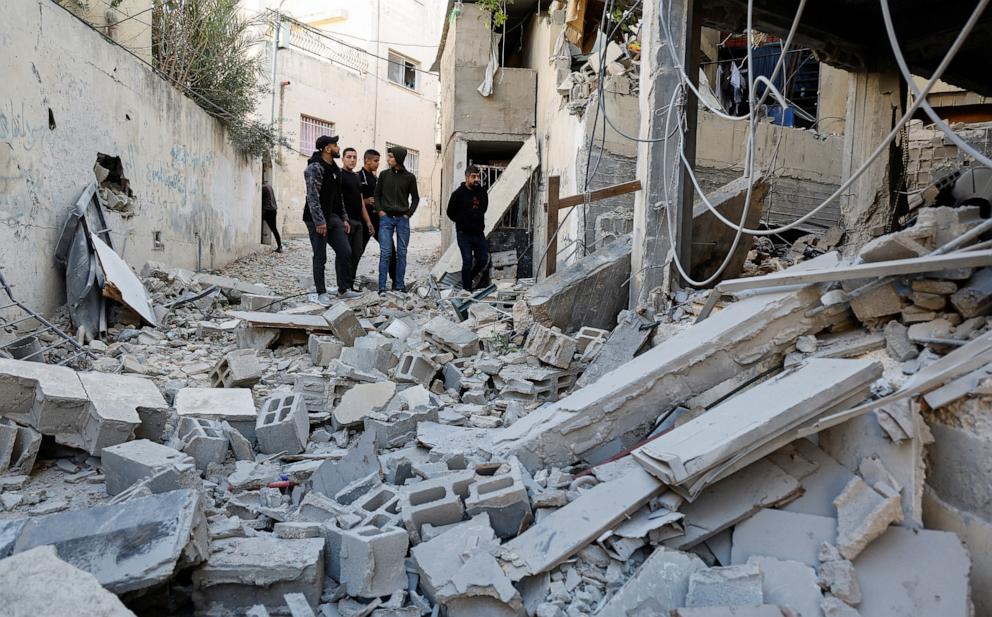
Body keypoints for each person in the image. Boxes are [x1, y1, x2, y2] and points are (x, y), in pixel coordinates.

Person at [303, 135, 359, 304]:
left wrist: (344, 218)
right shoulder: (315, 167)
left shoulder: (334, 169)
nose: (338, 148)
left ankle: (344, 289)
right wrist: (320, 222)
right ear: (327, 149)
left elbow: (338, 196)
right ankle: (321, 292)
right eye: (335, 145)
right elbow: (312, 196)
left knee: (345, 251)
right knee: (320, 256)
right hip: (316, 219)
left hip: (333, 217)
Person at [374, 146, 419, 294]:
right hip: (386, 219)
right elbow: (377, 195)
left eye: (391, 156)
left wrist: (408, 214)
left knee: (402, 253)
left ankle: (399, 285)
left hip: (402, 220)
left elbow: (415, 198)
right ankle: (382, 287)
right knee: (386, 252)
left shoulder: (410, 177)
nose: (388, 159)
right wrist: (380, 211)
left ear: (398, 158)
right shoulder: (384, 175)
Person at [446, 165, 489, 291]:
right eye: (473, 177)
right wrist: (461, 222)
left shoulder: (482, 192)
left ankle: (468, 278)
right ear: (467, 177)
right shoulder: (458, 194)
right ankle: (467, 290)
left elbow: (484, 208)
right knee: (467, 261)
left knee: (483, 259)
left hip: (478, 232)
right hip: (464, 233)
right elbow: (450, 212)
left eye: (478, 177)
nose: (476, 179)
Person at [359, 149, 398, 288]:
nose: (377, 164)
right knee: (357, 252)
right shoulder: (359, 177)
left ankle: (396, 282)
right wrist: (366, 201)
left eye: (378, 161)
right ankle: (346, 285)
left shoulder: (375, 179)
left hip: (378, 221)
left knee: (390, 250)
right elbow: (351, 200)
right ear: (367, 160)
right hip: (363, 222)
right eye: (375, 161)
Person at [340, 147, 374, 290]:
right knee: (345, 254)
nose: (352, 160)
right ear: (343, 159)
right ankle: (343, 287)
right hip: (346, 222)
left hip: (358, 222)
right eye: (349, 157)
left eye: (354, 157)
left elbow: (360, 202)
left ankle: (350, 284)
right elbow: (338, 199)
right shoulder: (339, 175)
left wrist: (368, 222)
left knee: (357, 253)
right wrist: (343, 219)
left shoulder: (356, 177)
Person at [261, 179, 283, 253]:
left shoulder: (263, 188)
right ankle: (280, 246)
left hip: (268, 211)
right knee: (274, 229)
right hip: (273, 210)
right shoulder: (269, 186)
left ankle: (279, 247)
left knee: (271, 228)